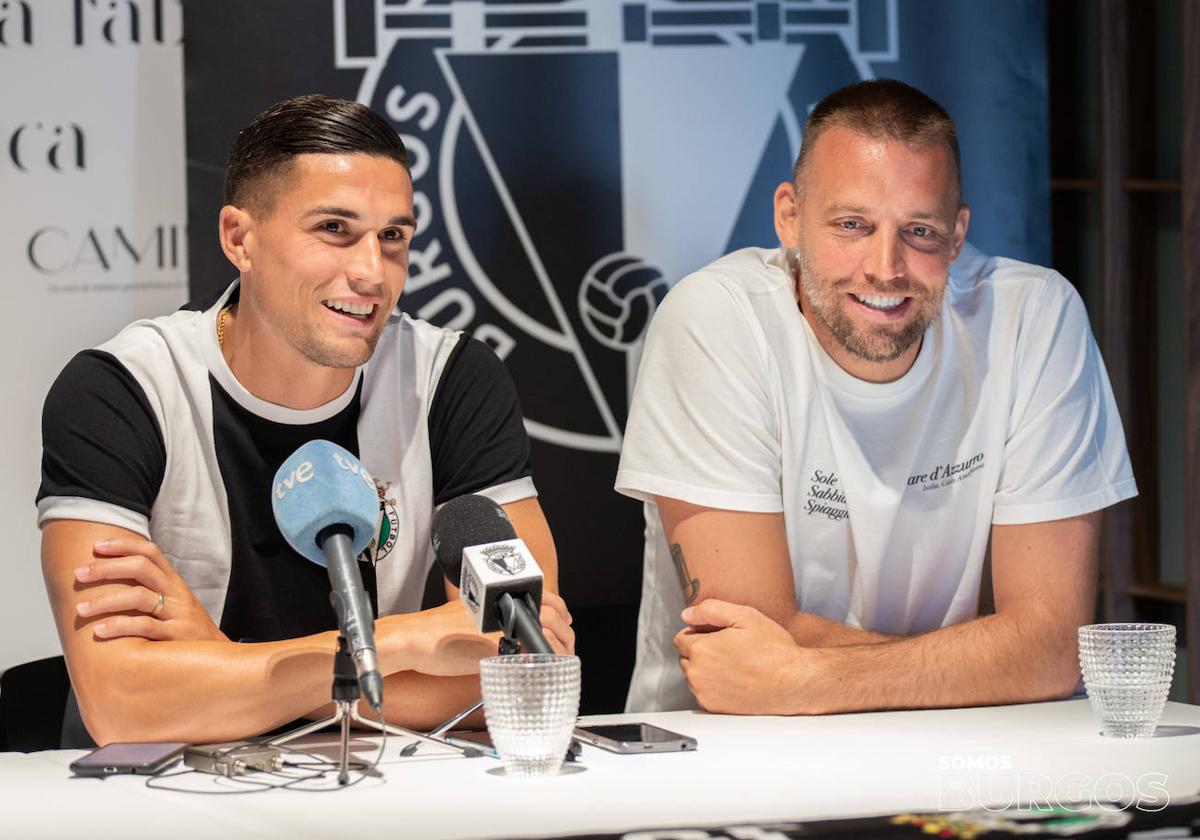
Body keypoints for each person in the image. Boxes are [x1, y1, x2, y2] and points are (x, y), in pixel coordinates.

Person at [38, 94, 573, 746]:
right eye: (334, 230)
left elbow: (526, 666)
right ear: (240, 238)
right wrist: (403, 644)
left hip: (385, 798)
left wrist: (219, 663)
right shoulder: (124, 390)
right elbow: (123, 704)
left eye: (393, 237)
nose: (371, 271)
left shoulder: (451, 379)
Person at [615, 79, 1136, 714]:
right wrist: (987, 663)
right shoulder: (716, 319)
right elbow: (741, 650)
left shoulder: (1035, 316)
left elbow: (1051, 646)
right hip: (730, 757)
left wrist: (807, 679)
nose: (885, 267)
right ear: (789, 217)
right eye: (852, 225)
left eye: (919, 231)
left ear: (957, 233)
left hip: (971, 754)